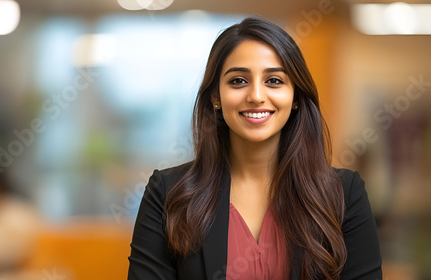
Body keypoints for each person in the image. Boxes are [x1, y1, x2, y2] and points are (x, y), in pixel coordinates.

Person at [128, 16, 382, 280]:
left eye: (274, 80)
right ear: (215, 97)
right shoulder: (168, 193)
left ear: (295, 97)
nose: (257, 96)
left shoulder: (344, 195)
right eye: (238, 81)